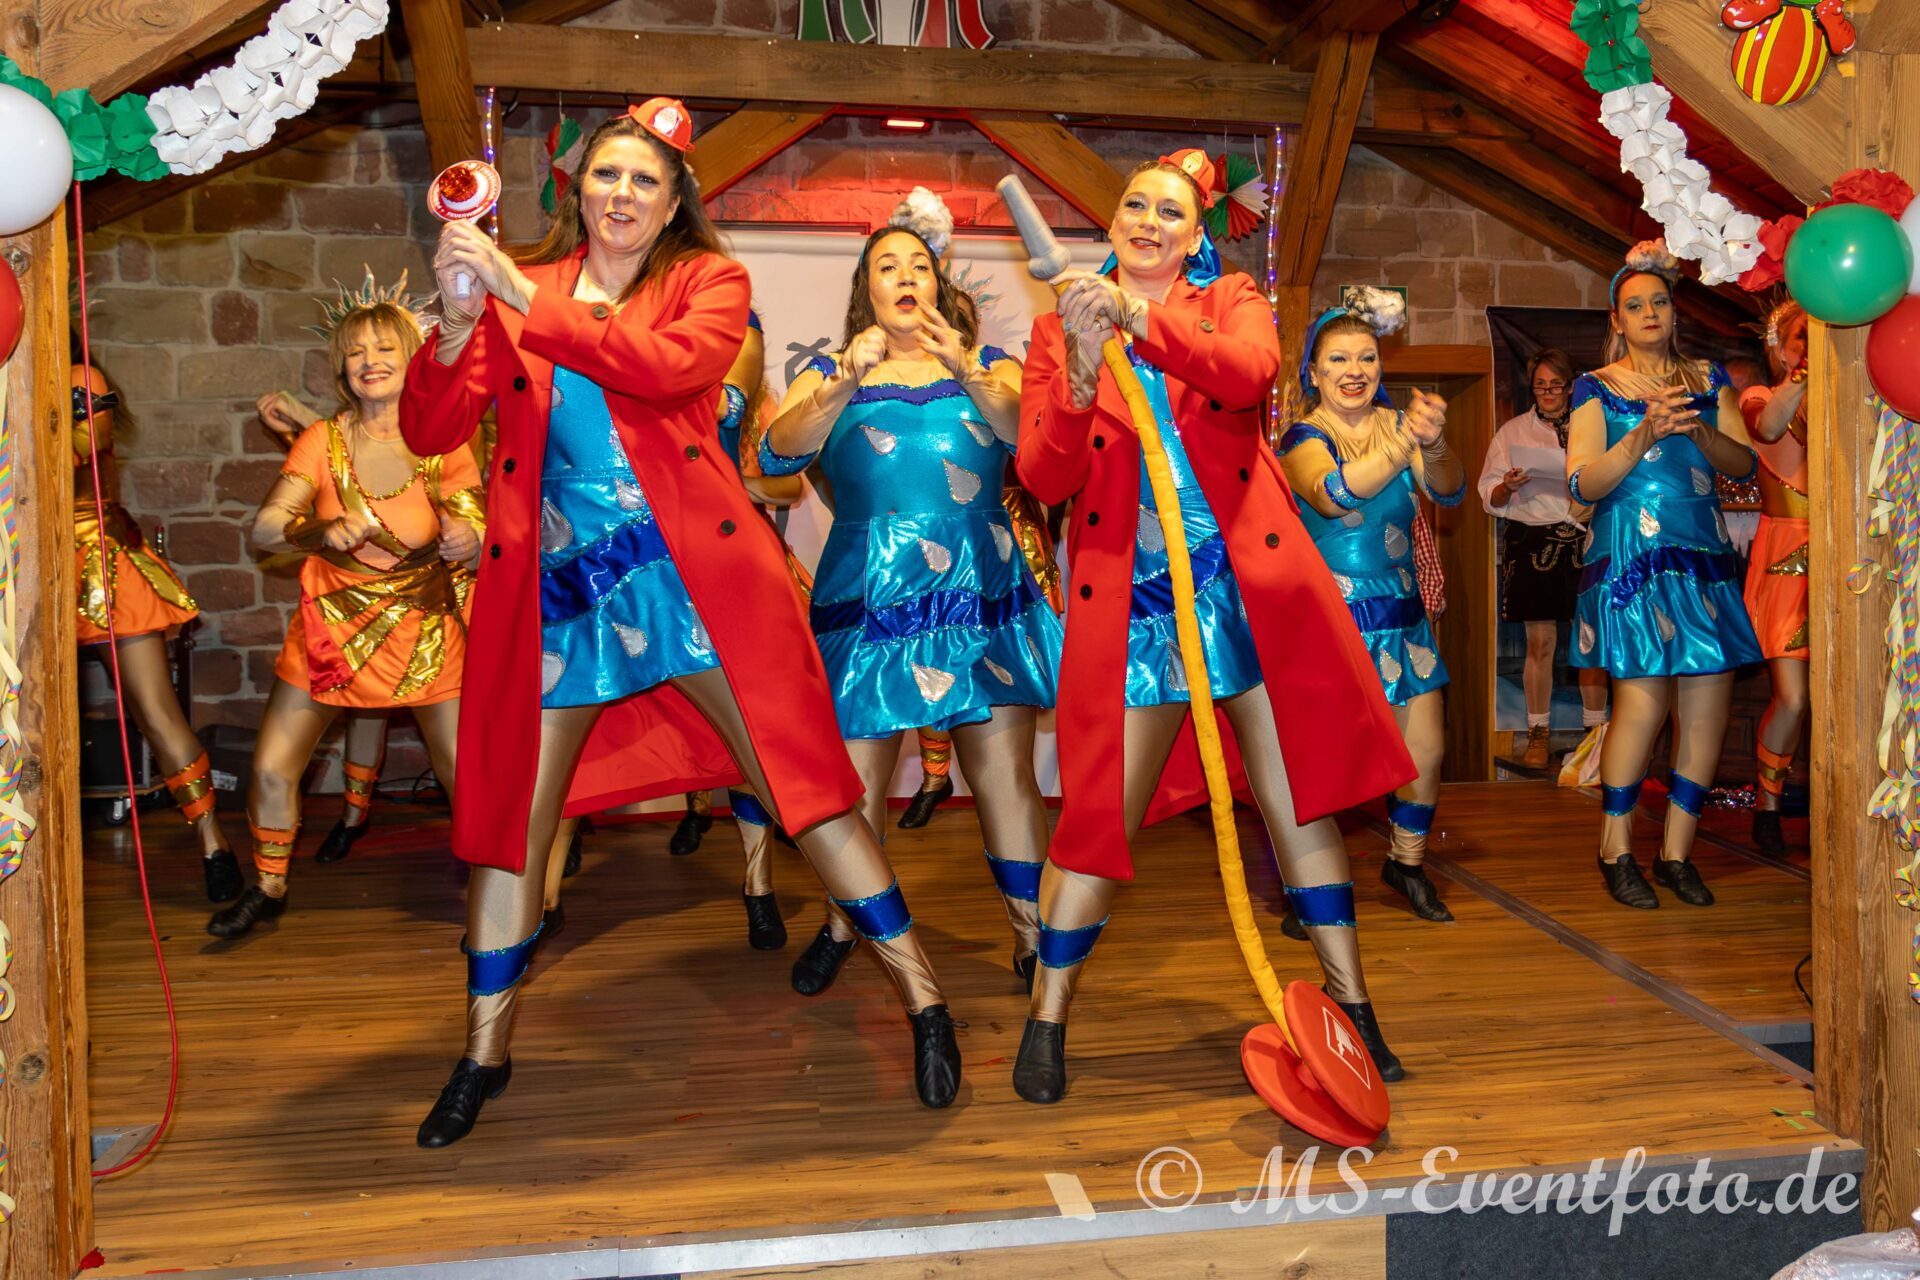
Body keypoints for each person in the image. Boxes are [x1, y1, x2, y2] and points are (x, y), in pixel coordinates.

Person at [404, 101, 960, 1147]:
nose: (621, 193)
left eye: (644, 181)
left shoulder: (707, 283)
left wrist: (519, 294)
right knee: (513, 829)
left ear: (672, 205)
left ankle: (924, 1000)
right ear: (578, 189)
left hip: (692, 580)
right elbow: (432, 426)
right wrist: (453, 323)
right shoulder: (528, 287)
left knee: (803, 793)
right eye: (605, 174)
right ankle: (482, 1053)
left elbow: (662, 369)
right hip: (562, 595)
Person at [1010, 149, 1415, 1103]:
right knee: (1098, 821)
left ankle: (1355, 1009)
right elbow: (1044, 476)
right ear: (1112, 222)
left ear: (1196, 235)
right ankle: (1048, 1015)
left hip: (1246, 596)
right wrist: (1078, 371)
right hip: (1137, 609)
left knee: (1300, 802)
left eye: (1170, 212)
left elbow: (1248, 374)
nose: (1148, 221)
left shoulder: (1229, 299)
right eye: (1134, 205)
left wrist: (1137, 319)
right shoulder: (1056, 328)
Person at [762, 217, 1062, 996]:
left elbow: (1032, 445)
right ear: (864, 290)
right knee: (855, 787)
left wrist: (965, 367)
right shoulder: (832, 369)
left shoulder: (988, 362)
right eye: (886, 265)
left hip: (980, 591)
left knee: (1005, 777)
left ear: (938, 284)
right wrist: (842, 383)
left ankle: (1034, 937)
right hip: (869, 600)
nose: (904, 275)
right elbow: (776, 453)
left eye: (919, 265)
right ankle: (843, 926)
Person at [209, 275, 484, 938]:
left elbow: (477, 524)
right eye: (356, 351)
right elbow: (265, 528)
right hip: (331, 627)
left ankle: (493, 892)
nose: (369, 360)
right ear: (341, 368)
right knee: (272, 765)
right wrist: (317, 530)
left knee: (465, 771)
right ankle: (268, 887)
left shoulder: (444, 440)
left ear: (415, 359)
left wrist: (468, 537)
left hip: (423, 627)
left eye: (384, 347)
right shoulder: (321, 441)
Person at [1567, 240, 1762, 909]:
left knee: (1706, 710)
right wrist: (1643, 435)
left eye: (1659, 302)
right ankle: (1615, 848)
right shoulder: (1596, 387)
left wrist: (1697, 432)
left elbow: (1742, 465)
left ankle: (1677, 853)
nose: (1649, 313)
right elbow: (1582, 482)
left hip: (1701, 554)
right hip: (1633, 557)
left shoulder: (1709, 378)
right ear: (1616, 320)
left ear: (1674, 312)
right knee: (1642, 705)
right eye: (1635, 305)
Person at [1279, 289, 1465, 923]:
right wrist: (1402, 441)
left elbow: (1450, 488)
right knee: (1327, 760)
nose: (1354, 371)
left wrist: (1432, 444)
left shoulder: (1398, 426)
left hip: (1403, 613)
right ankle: (1310, 887)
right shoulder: (1302, 437)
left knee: (1426, 750)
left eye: (1366, 357)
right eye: (1338, 359)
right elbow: (1332, 494)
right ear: (1314, 372)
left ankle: (1406, 863)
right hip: (1329, 620)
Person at [71, 359, 241, 903]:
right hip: (26, 566)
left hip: (97, 562)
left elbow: (85, 445)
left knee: (155, 712)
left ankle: (213, 844)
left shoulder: (79, 377)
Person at [257, 391, 418, 863]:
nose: (371, 363)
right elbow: (347, 468)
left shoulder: (437, 431)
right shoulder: (338, 434)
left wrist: (303, 418)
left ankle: (353, 816)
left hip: (418, 592)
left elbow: (387, 466)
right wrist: (303, 430)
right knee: (360, 707)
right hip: (345, 593)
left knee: (379, 712)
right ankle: (350, 818)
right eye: (357, 356)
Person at [1478, 349, 1609, 769]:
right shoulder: (1513, 432)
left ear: (1571, 387)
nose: (1548, 393)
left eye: (1556, 385)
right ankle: (1538, 734)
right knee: (1540, 642)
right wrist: (1509, 485)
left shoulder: (1594, 428)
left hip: (1589, 537)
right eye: (1540, 386)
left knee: (1591, 639)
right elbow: (1489, 495)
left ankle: (1595, 737)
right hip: (1533, 540)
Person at [1740, 296, 1810, 854]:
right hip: (1788, 560)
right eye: (1802, 336)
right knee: (1792, 698)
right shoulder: (1760, 396)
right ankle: (1767, 804)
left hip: (1851, 558)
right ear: (1780, 350)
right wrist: (1806, 374)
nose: (1811, 345)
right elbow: (1768, 428)